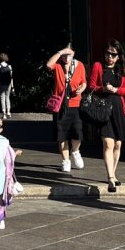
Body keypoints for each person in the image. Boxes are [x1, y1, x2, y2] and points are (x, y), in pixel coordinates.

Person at [88, 42, 125, 193]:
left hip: (119, 110)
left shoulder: (123, 69)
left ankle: (112, 173)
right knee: (108, 143)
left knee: (118, 144)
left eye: (113, 55)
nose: (110, 57)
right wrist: (103, 89)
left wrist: (116, 89)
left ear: (118, 56)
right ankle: (111, 178)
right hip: (104, 110)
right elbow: (91, 86)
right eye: (107, 54)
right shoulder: (98, 66)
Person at [45, 45, 87, 173]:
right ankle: (65, 160)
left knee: (77, 132)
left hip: (75, 103)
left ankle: (75, 152)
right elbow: (48, 65)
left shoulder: (79, 65)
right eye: (64, 55)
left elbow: (84, 81)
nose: (66, 57)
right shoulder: (57, 65)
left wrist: (82, 87)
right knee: (61, 134)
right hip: (61, 105)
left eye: (68, 54)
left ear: (73, 53)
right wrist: (61, 51)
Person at [0, 52, 14, 118]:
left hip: (1, 84)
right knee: (7, 97)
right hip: (8, 84)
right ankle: (8, 112)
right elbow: (11, 77)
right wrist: (12, 87)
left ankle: (4, 114)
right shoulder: (9, 66)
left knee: (2, 98)